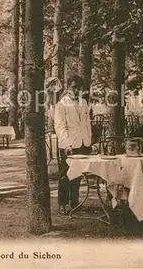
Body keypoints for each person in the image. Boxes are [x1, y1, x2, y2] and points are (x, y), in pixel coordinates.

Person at [54, 75, 92, 215]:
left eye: (79, 88)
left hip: (83, 143)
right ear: (68, 87)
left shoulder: (83, 102)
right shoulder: (61, 104)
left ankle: (75, 203)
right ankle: (62, 203)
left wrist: (89, 140)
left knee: (78, 175)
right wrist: (66, 144)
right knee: (66, 175)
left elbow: (87, 123)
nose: (76, 90)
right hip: (69, 145)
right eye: (74, 87)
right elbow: (60, 126)